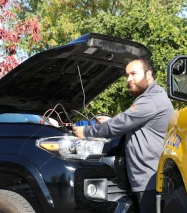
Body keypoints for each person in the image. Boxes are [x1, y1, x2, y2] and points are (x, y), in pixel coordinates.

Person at [73, 58, 174, 213]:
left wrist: (85, 132)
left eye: (134, 74)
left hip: (149, 180)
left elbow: (118, 125)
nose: (129, 79)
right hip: (147, 177)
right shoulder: (153, 97)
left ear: (148, 74)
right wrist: (112, 120)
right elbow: (130, 122)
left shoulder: (151, 100)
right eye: (127, 75)